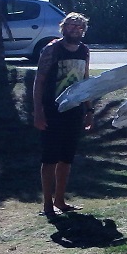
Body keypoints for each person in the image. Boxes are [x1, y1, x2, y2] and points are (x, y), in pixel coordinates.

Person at [33, 12, 94, 216]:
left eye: (79, 27)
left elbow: (85, 81)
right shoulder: (52, 50)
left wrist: (89, 109)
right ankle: (47, 204)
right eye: (71, 25)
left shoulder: (84, 51)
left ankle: (60, 200)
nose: (75, 29)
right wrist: (38, 111)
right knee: (49, 158)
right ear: (63, 27)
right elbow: (39, 81)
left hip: (74, 111)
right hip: (52, 110)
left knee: (66, 159)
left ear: (83, 30)